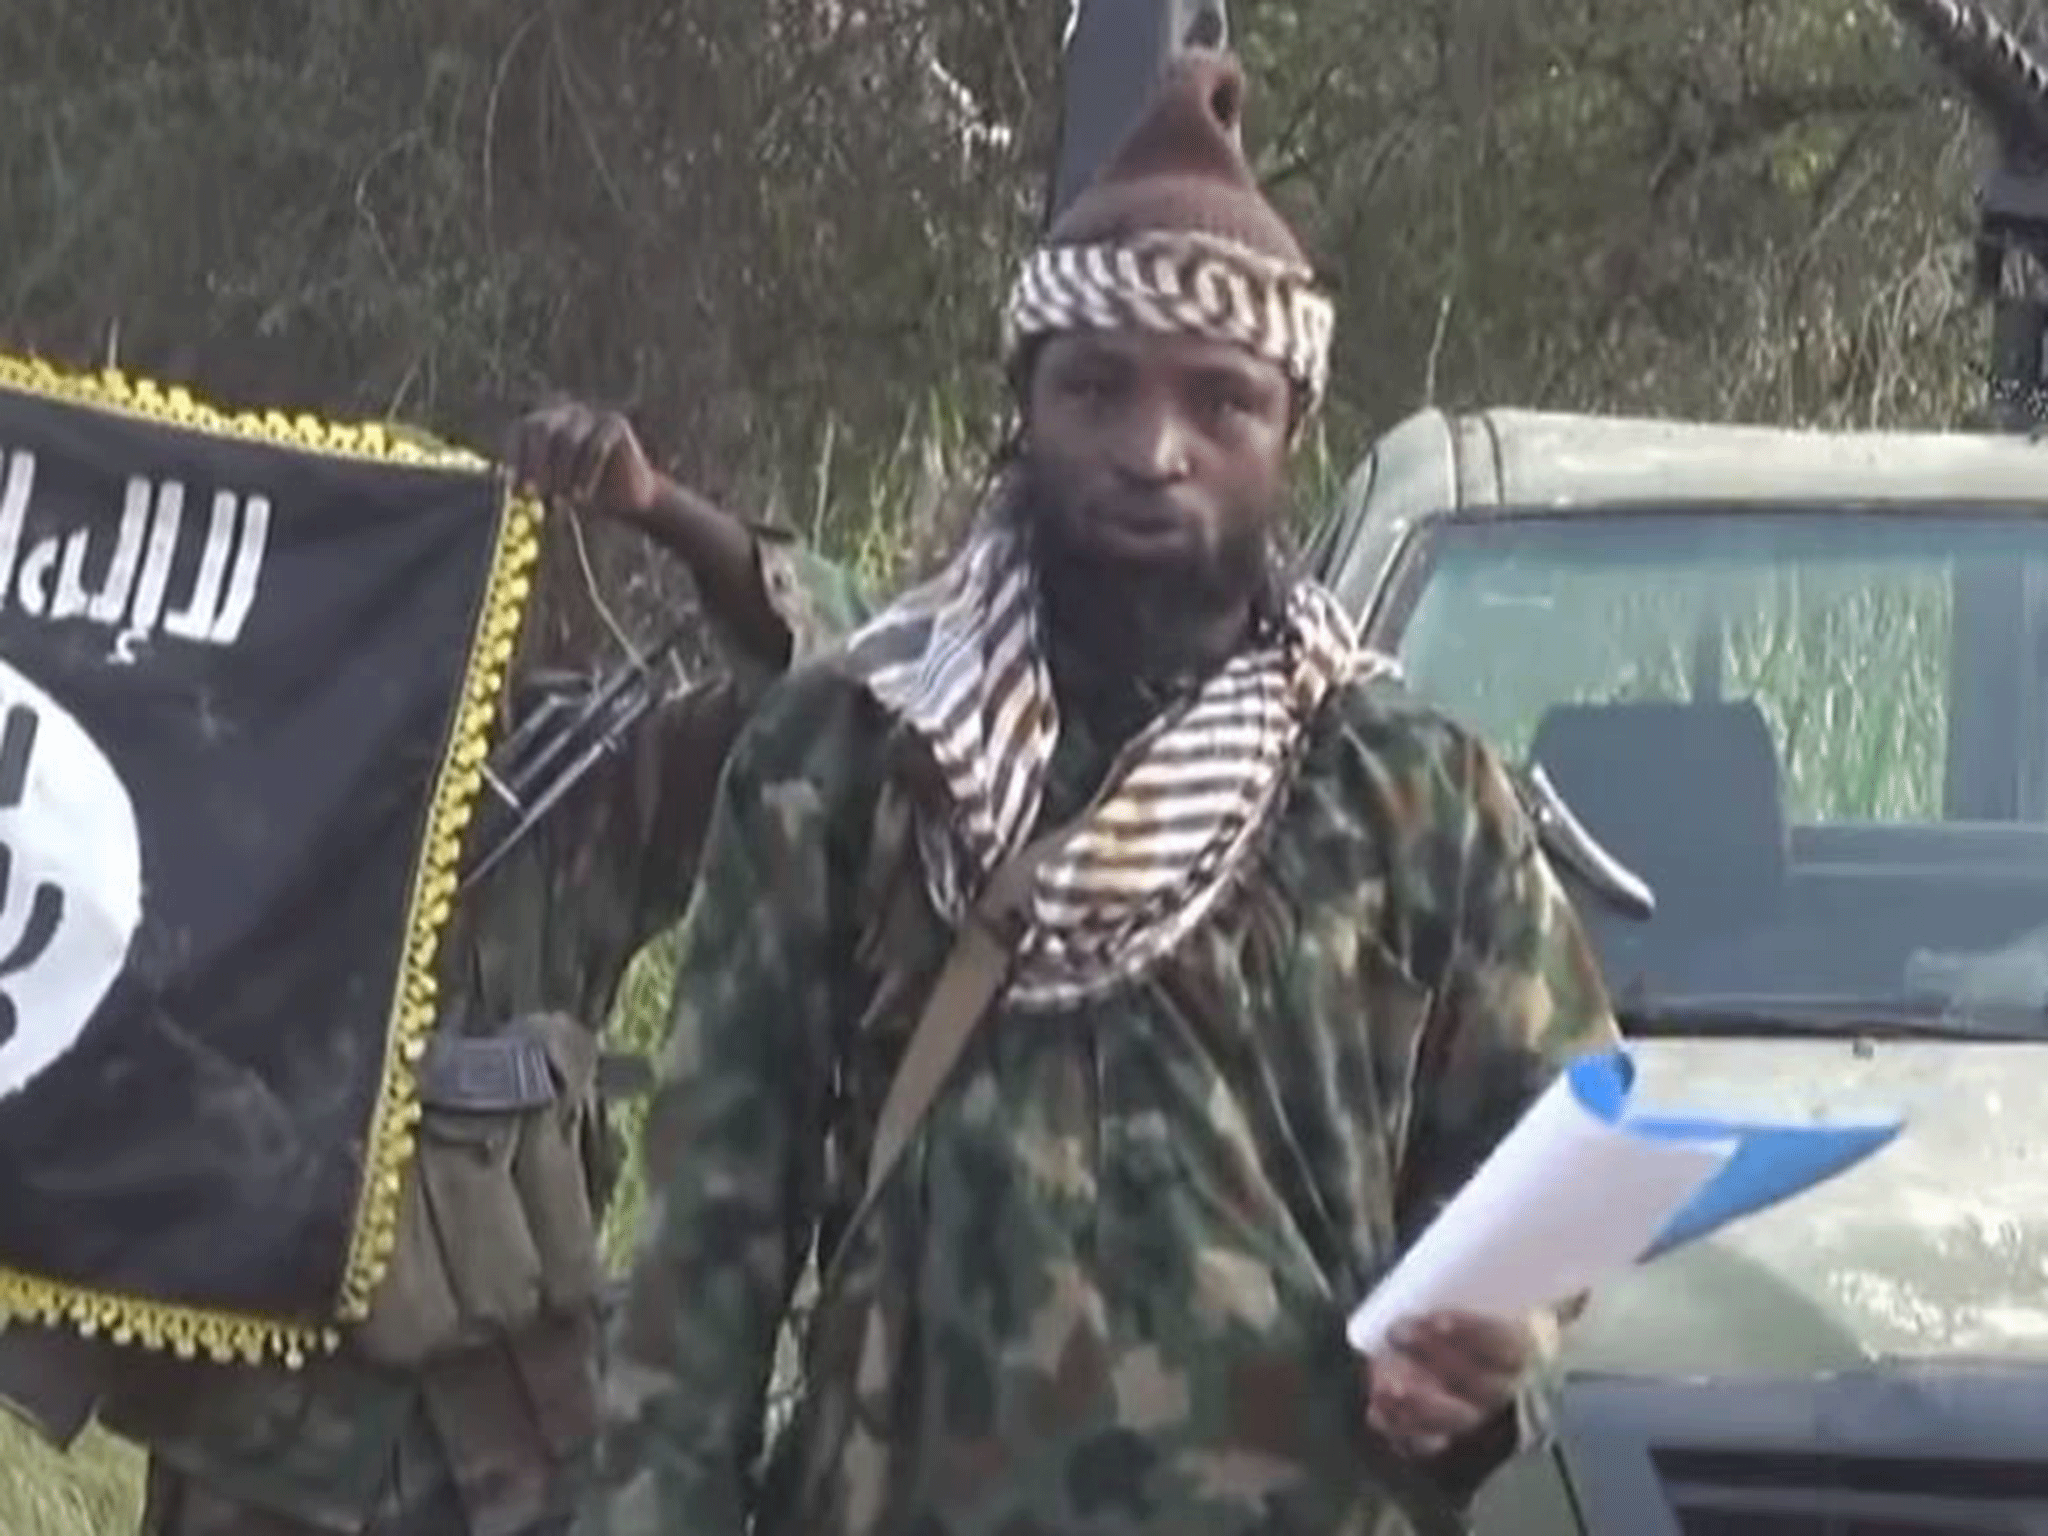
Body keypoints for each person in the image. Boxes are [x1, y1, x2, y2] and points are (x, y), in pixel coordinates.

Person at [580, 49, 1621, 1536]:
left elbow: (1552, 1153)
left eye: (1219, 404)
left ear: (1291, 432)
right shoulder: (854, 756)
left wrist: (1489, 1351)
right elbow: (705, 1256)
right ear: (1025, 401)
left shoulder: (1409, 795)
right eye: (1098, 390)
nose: (1153, 450)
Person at [0, 405, 869, 1536]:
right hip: (263, 1462)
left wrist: (659, 510)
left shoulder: (572, 797)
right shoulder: (206, 823)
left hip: (522, 1445)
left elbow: (838, 694)